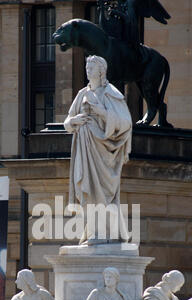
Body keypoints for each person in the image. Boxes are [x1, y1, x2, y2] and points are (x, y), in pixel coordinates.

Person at [64, 55, 132, 244]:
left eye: (92, 68)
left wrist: (102, 113)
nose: (88, 71)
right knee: (88, 191)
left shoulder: (111, 93)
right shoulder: (82, 94)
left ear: (101, 71)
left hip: (104, 152)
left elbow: (126, 123)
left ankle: (104, 233)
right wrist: (73, 121)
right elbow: (67, 123)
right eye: (87, 67)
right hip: (85, 148)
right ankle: (94, 232)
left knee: (102, 192)